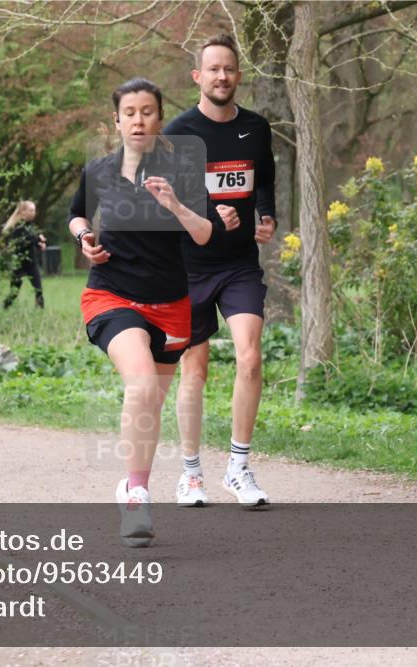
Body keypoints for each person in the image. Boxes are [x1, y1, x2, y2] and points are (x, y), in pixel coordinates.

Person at [69, 78, 236, 547]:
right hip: (112, 296)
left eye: (147, 111)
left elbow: (205, 235)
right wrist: (84, 238)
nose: (138, 119)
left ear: (160, 118)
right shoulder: (100, 170)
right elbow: (77, 214)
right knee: (141, 384)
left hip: (171, 305)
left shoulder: (181, 170)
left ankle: (128, 481)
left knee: (149, 406)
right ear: (116, 121)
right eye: (129, 112)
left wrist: (175, 205)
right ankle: (138, 495)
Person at [164, 34, 277, 508]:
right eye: (213, 69)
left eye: (229, 68)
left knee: (250, 357)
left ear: (238, 75)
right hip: (189, 267)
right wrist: (212, 214)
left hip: (238, 265)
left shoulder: (256, 127)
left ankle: (238, 468)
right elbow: (164, 202)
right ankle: (190, 474)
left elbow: (264, 179)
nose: (222, 76)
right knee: (196, 366)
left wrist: (266, 216)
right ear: (198, 76)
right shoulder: (178, 132)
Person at [1, 200, 46, 309]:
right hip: (19, 264)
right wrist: (37, 239)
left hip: (31, 263)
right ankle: (5, 306)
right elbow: (22, 242)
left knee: (38, 289)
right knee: (14, 292)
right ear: (23, 212)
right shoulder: (17, 226)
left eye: (34, 210)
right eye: (31, 210)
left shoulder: (31, 226)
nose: (33, 212)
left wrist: (41, 244)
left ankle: (40, 312)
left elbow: (33, 240)